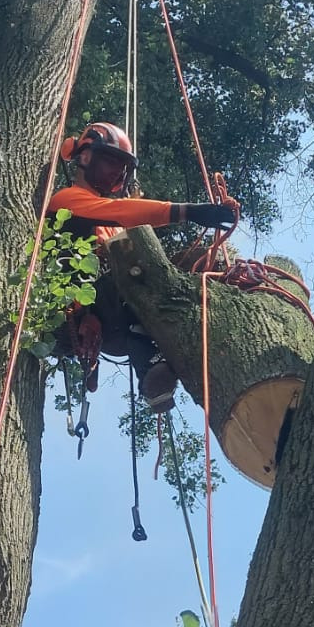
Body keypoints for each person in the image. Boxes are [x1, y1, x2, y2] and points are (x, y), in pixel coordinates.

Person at [48, 121, 238, 412]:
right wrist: (186, 211)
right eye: (111, 161)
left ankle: (153, 372)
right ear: (85, 157)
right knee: (137, 269)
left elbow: (121, 218)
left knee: (175, 266)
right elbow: (119, 212)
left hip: (113, 324)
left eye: (123, 167)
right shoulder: (67, 199)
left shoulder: (108, 225)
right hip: (75, 310)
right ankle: (150, 362)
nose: (118, 172)